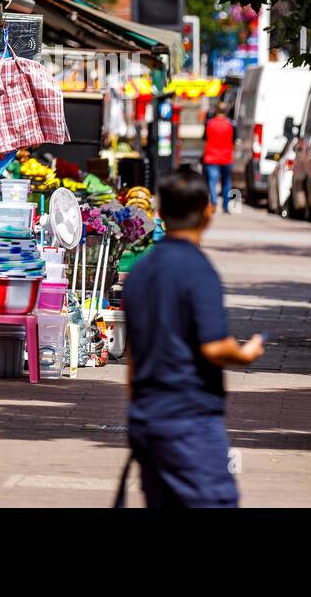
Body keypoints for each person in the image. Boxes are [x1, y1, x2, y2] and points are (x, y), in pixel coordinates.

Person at [123, 168, 264, 507]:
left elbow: (133, 359)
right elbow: (214, 346)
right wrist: (246, 355)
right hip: (189, 421)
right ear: (208, 211)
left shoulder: (139, 272)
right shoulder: (199, 271)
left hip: (147, 419)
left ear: (159, 212)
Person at [202, 102, 236, 214]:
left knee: (212, 181)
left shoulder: (209, 123)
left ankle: (214, 202)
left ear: (216, 110)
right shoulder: (231, 124)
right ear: (226, 111)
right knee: (226, 182)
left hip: (211, 157)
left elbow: (204, 138)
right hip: (226, 157)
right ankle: (225, 206)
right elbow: (234, 139)